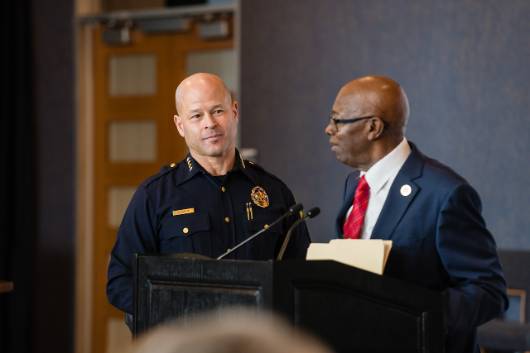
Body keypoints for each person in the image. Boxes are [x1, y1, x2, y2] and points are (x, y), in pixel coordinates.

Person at [324, 75, 508, 353]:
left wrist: (416, 315)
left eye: (337, 120)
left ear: (373, 127)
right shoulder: (355, 184)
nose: (329, 129)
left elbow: (489, 291)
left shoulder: (445, 193)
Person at [107, 73, 310, 317]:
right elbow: (120, 282)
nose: (209, 123)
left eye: (217, 111)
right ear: (180, 125)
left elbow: (301, 276)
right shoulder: (155, 195)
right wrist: (174, 314)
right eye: (196, 115)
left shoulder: (274, 191)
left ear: (234, 112)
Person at [129, 308, 334, 353]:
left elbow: (297, 266)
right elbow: (121, 280)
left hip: (264, 337)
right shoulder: (154, 198)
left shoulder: (278, 196)